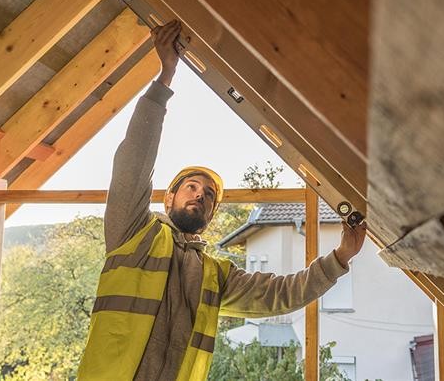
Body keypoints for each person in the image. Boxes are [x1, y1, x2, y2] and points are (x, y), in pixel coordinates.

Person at [77, 20, 366, 381]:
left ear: (211, 215)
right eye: (191, 187)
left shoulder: (214, 276)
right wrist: (164, 80)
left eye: (209, 195)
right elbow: (133, 163)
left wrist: (341, 258)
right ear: (168, 198)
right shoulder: (134, 233)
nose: (200, 193)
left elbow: (280, 294)